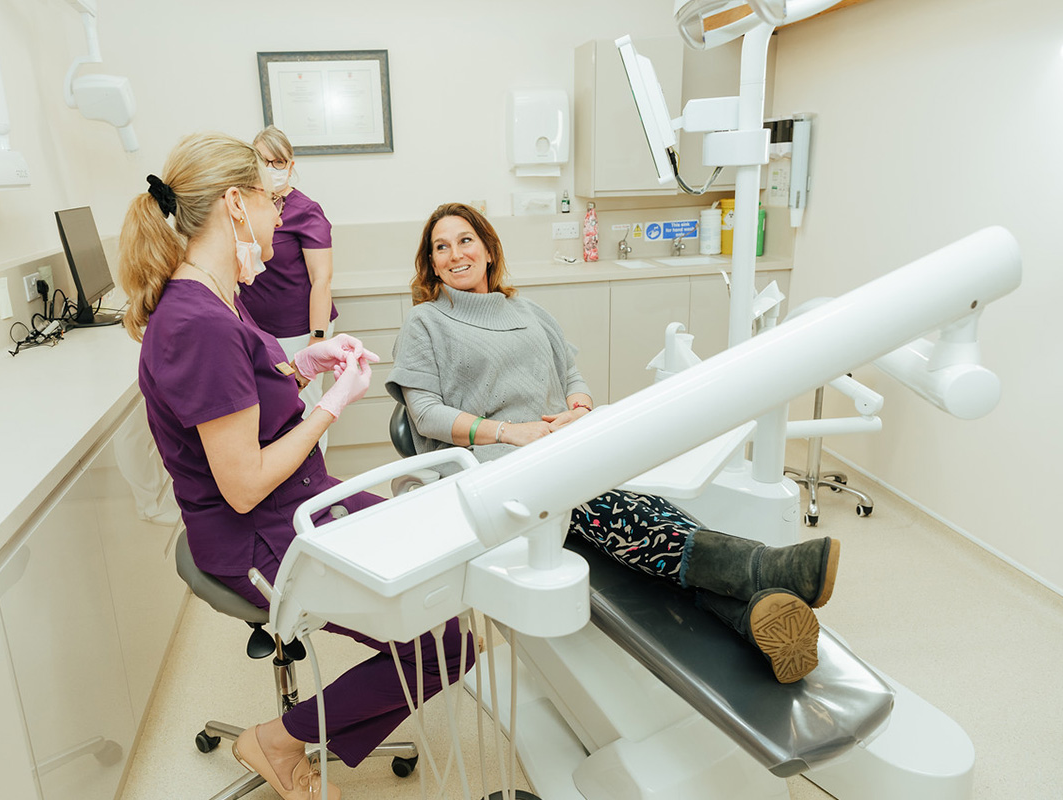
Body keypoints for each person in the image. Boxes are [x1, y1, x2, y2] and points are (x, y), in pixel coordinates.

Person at [118, 134, 471, 800]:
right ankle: (278, 741)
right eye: (270, 201)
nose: (280, 216)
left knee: (442, 589)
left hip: (300, 501)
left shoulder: (216, 296)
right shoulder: (198, 322)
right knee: (443, 643)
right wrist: (332, 406)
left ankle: (293, 735)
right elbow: (244, 484)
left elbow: (246, 394)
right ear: (235, 204)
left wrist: (303, 366)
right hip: (259, 534)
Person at [386, 202, 839, 685]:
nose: (455, 254)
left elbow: (572, 375)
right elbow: (425, 413)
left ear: (489, 249)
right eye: (441, 247)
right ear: (431, 263)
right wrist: (509, 432)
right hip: (494, 468)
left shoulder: (526, 310)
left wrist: (579, 408)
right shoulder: (426, 323)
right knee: (608, 505)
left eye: (465, 240)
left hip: (558, 447)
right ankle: (764, 567)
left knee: (647, 501)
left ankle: (754, 613)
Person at [240, 125, 338, 450]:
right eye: (262, 161)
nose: (270, 168)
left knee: (304, 411)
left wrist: (316, 342)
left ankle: (315, 477)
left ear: (290, 165)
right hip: (255, 330)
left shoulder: (305, 211)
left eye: (278, 161)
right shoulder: (243, 206)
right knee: (266, 415)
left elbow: (321, 279)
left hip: (300, 330)